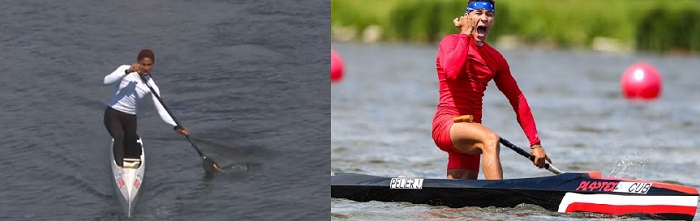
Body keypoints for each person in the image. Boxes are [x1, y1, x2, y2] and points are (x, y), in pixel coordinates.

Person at [431, 0, 551, 180]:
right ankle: (501, 202)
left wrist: (535, 143)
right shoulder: (450, 42)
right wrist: (465, 33)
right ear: (468, 17)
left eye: (489, 14)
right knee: (490, 139)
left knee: (460, 196)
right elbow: (452, 73)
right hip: (447, 125)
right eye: (478, 13)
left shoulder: (495, 59)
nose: (484, 18)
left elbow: (517, 99)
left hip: (472, 128)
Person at [103, 49, 189, 167]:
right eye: (143, 64)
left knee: (131, 146)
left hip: (130, 118)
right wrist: (127, 71)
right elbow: (106, 81)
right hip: (113, 113)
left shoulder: (152, 85)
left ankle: (130, 155)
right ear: (138, 62)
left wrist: (175, 126)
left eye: (149, 65)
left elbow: (162, 110)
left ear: (153, 65)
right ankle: (120, 167)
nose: (146, 68)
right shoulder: (126, 69)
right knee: (119, 136)